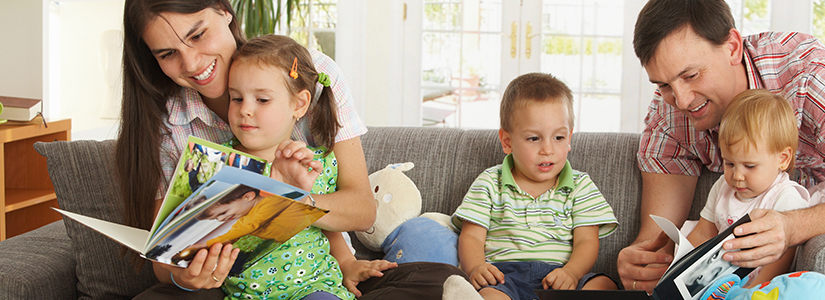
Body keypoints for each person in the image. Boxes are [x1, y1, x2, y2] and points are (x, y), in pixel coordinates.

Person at [117, 0, 464, 299]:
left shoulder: (310, 74)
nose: (191, 63)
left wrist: (289, 199)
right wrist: (184, 275)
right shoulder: (169, 125)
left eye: (197, 34)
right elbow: (166, 257)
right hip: (230, 288)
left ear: (224, 11)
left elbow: (360, 209)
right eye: (167, 54)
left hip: (314, 274)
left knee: (435, 278)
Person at [618, 0, 825, 292]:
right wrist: (641, 263)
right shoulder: (668, 114)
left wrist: (791, 226)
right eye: (663, 85)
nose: (681, 100)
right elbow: (657, 238)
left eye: (691, 75)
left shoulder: (808, 71)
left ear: (732, 47)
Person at [451, 73, 620, 300]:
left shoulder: (581, 185)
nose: (547, 149)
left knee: (605, 284)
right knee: (489, 296)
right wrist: (476, 268)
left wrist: (572, 272)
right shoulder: (490, 182)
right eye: (534, 139)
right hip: (504, 277)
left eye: (558, 138)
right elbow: (472, 237)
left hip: (561, 277)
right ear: (507, 142)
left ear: (569, 138)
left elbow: (587, 241)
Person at [686, 89, 810, 292]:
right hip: (718, 285)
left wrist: (752, 291)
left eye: (750, 166)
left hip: (760, 288)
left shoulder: (785, 198)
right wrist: (680, 269)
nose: (737, 176)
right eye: (729, 163)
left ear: (783, 159)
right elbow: (703, 233)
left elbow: (779, 261)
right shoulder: (722, 187)